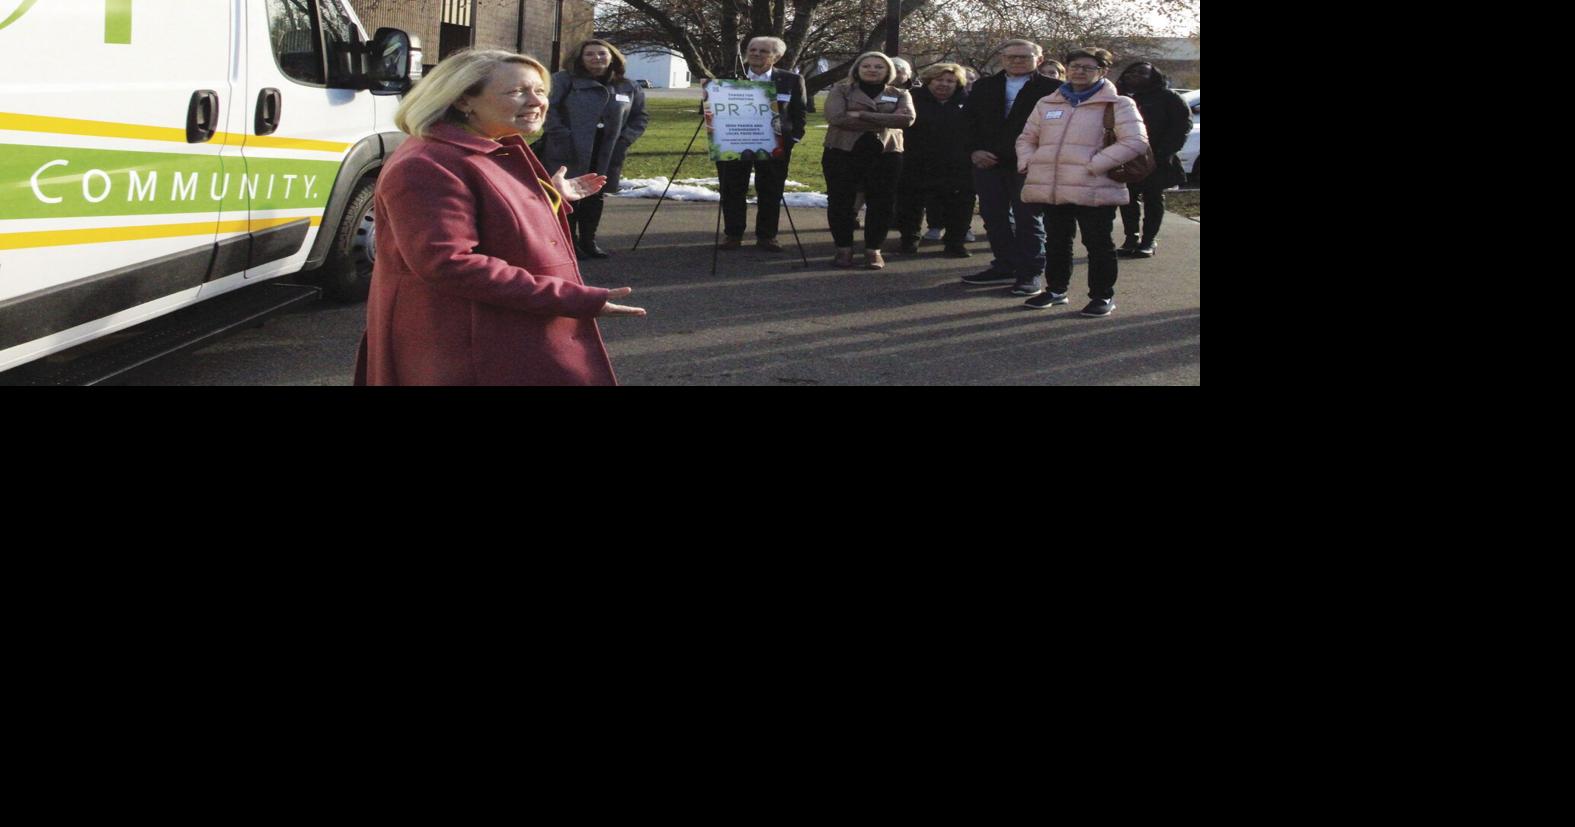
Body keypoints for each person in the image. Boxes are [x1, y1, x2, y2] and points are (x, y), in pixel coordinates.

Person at [354, 49, 646, 386]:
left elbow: (490, 217)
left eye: (540, 91)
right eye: (517, 92)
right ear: (464, 100)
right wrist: (570, 298)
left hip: (493, 337)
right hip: (465, 352)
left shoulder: (484, 146)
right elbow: (449, 263)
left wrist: (549, 196)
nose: (537, 102)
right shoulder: (428, 163)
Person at [1015, 47, 1148, 317]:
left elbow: (1135, 141)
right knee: (1056, 241)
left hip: (1095, 185)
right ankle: (1055, 290)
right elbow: (1027, 138)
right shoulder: (1048, 103)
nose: (1079, 71)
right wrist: (1029, 162)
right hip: (1053, 185)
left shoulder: (1118, 104)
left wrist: (1094, 165)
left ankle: (1102, 296)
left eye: (1088, 67)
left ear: (1103, 71)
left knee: (1098, 243)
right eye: (1075, 66)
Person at [960, 39, 1059, 296]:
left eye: (1024, 57)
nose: (1017, 61)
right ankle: (1004, 265)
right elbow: (967, 122)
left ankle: (1030, 273)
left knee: (1028, 219)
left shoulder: (1055, 89)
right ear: (1002, 58)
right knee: (994, 218)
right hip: (988, 162)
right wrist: (974, 151)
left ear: (1039, 59)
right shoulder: (984, 86)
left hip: (1029, 164)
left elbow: (1058, 129)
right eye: (1011, 56)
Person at [538, 39, 648, 260]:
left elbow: (640, 116)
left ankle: (589, 241)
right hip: (568, 149)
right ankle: (567, 243)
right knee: (567, 195)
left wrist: (625, 140)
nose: (597, 58)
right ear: (580, 58)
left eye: (602, 54)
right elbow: (547, 109)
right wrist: (561, 134)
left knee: (595, 195)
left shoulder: (628, 86)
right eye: (590, 54)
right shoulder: (564, 81)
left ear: (612, 57)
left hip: (606, 149)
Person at [705, 36, 808, 253]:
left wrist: (793, 139)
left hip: (774, 145)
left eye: (763, 51)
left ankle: (767, 236)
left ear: (776, 56)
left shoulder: (791, 80)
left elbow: (799, 114)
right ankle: (733, 234)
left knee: (770, 190)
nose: (756, 54)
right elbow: (709, 109)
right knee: (732, 188)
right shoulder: (729, 78)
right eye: (752, 49)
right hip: (733, 142)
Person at [822, 51, 915, 270]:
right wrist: (886, 120)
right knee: (840, 201)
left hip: (886, 154)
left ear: (888, 71)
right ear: (857, 69)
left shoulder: (901, 93)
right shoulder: (841, 90)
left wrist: (861, 115)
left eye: (878, 67)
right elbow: (836, 117)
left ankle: (874, 250)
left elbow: (906, 119)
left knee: (881, 203)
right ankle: (843, 249)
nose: (872, 70)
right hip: (843, 152)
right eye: (867, 66)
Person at [895, 63, 975, 258]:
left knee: (959, 205)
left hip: (957, 163)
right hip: (916, 160)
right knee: (911, 203)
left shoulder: (969, 102)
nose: (944, 84)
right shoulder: (912, 98)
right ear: (929, 81)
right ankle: (909, 240)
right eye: (939, 80)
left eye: (950, 81)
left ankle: (955, 242)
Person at [1114, 61, 1193, 258]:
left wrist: (1163, 152)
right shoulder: (1119, 97)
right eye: (1131, 72)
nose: (1135, 75)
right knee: (1127, 199)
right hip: (1126, 157)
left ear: (1154, 76)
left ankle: (1148, 240)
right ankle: (1131, 238)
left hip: (1157, 158)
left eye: (1142, 72)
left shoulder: (1168, 97)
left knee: (1153, 198)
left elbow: (1181, 127)